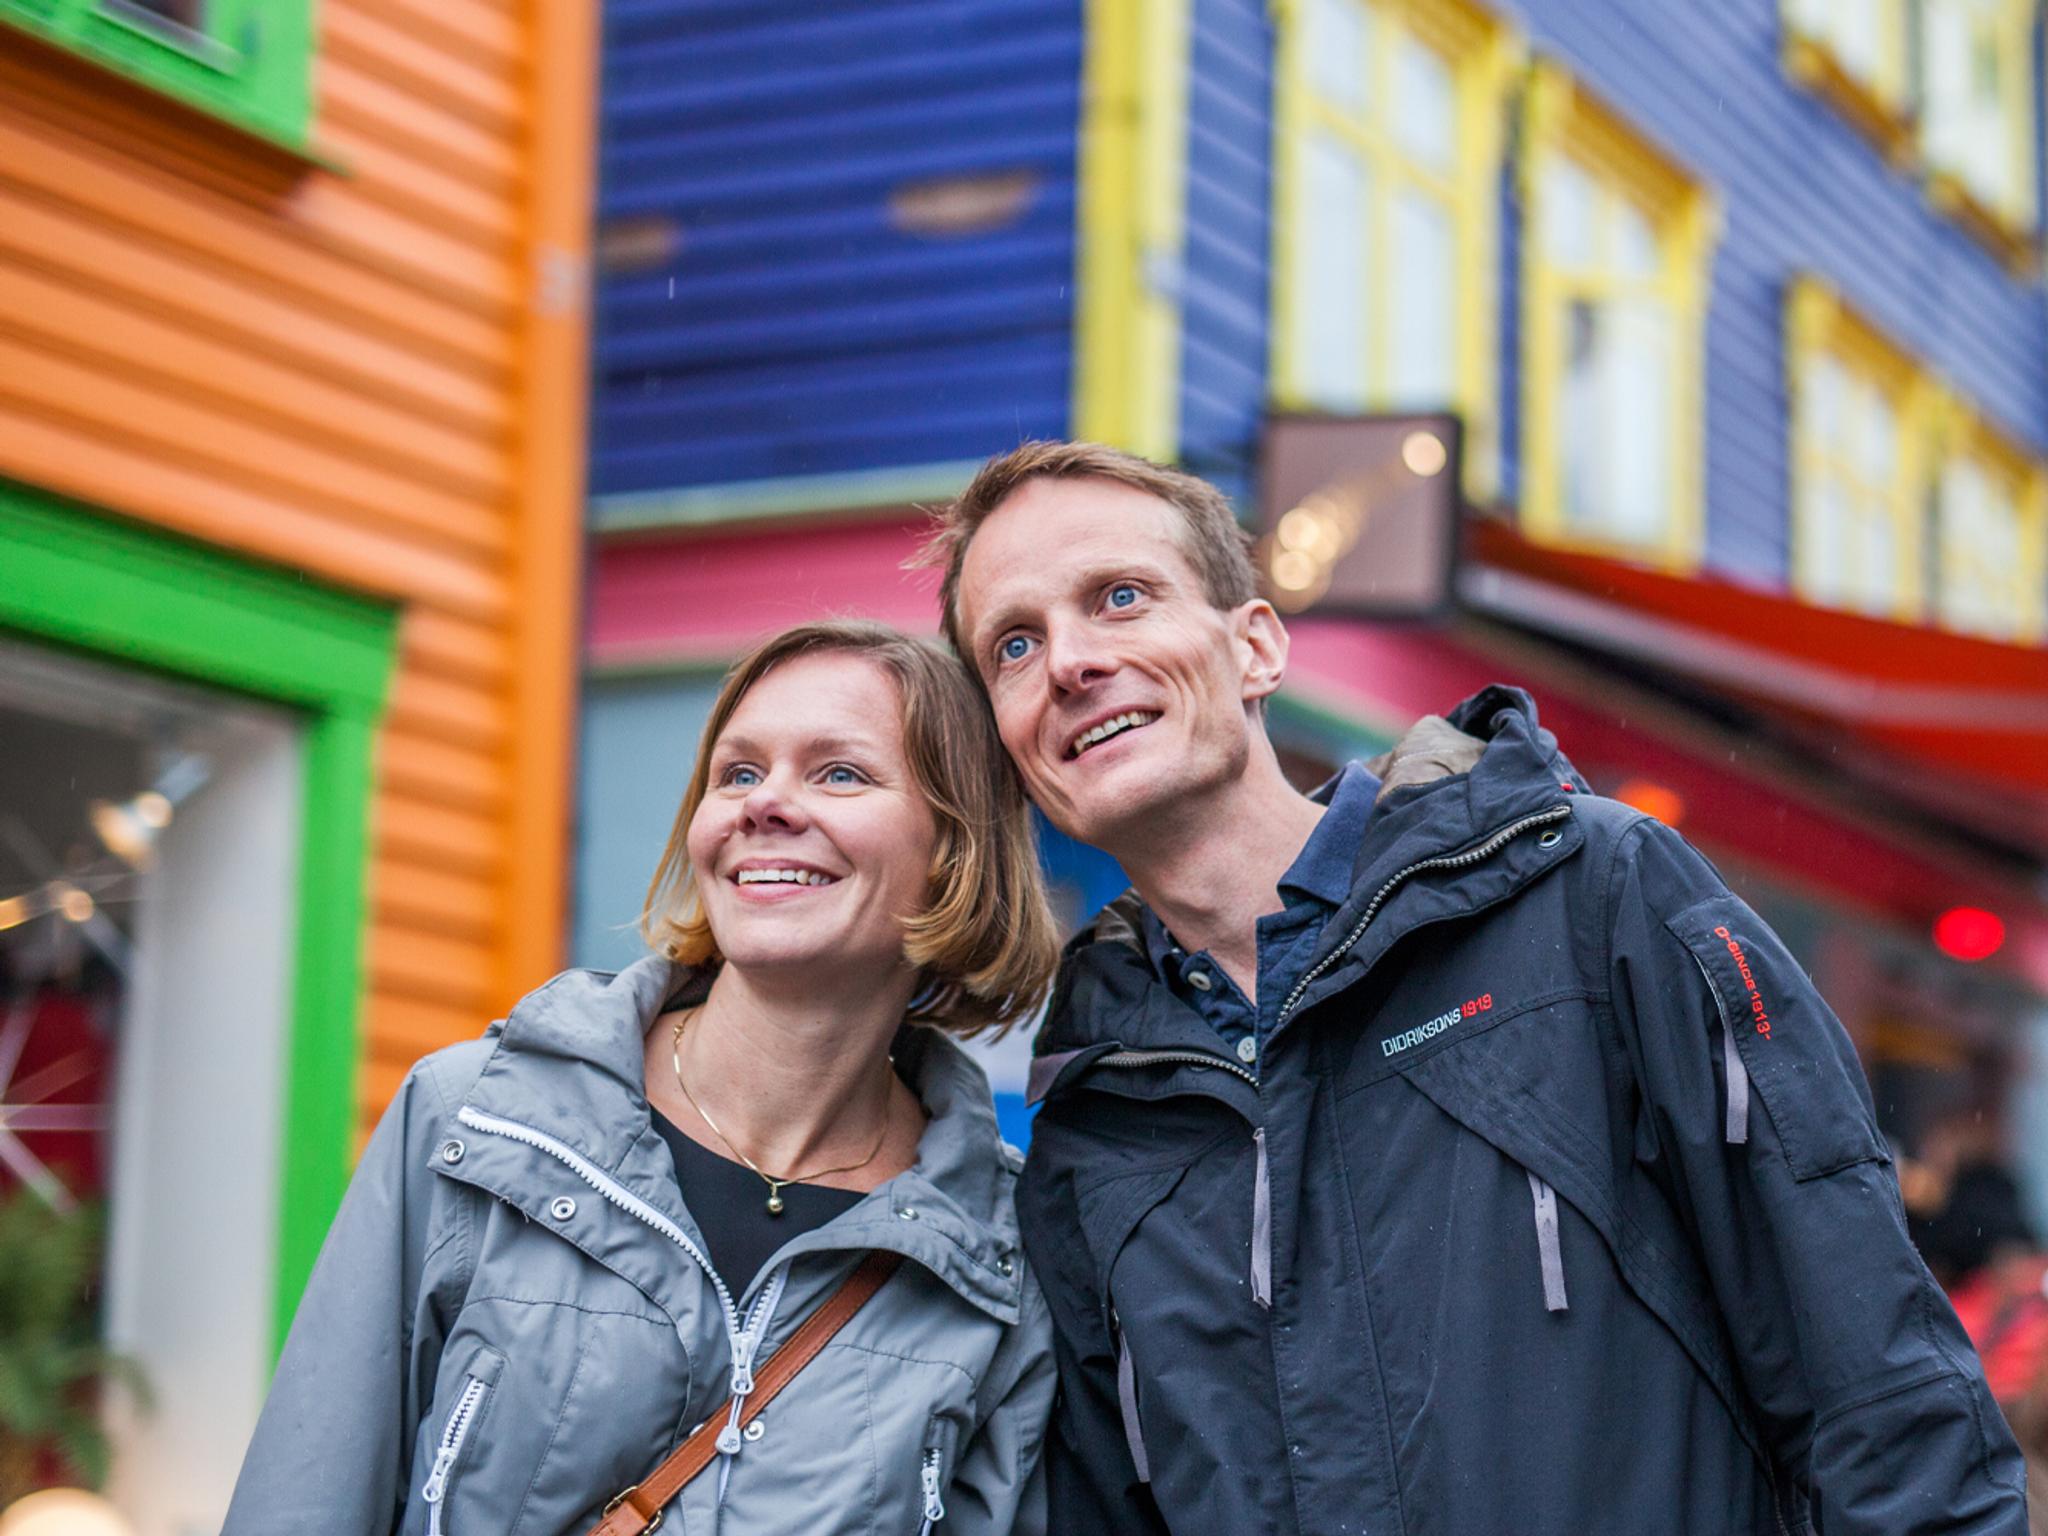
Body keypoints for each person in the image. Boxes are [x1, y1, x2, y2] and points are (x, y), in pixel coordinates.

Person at [925, 439, 2026, 1535]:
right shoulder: (1091, 1113)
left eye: (1119, 598)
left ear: (1255, 646)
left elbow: (1876, 1392)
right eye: (1013, 644)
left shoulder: (1594, 898)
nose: (1068, 660)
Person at [224, 620, 1060, 1536]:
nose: (764, 804)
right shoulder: (477, 1123)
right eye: (737, 773)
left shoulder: (998, 1255)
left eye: (839, 773)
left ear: (956, 851)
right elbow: (303, 1502)